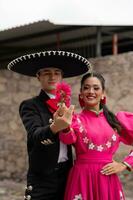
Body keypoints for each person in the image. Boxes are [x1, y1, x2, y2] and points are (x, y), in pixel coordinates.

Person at [7, 50, 90, 200]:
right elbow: (35, 135)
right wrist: (55, 127)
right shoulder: (30, 105)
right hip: (42, 178)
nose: (52, 76)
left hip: (67, 174)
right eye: (46, 72)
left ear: (62, 76)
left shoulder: (68, 106)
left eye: (57, 72)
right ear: (38, 76)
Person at [58, 71, 133, 200]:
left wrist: (124, 164)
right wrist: (64, 125)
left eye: (96, 88)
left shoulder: (116, 121)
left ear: (103, 93)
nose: (91, 91)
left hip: (108, 180)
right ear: (81, 94)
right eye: (86, 88)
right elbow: (67, 139)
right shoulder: (75, 119)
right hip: (82, 179)